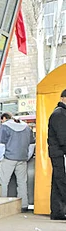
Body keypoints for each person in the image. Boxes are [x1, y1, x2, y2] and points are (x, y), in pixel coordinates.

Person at [0, 112, 34, 212]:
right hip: (22, 159)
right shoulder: (26, 127)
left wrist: (0, 158)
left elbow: (1, 145)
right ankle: (23, 205)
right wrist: (27, 157)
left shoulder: (4, 127)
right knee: (22, 183)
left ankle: (2, 206)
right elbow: (32, 145)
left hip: (8, 158)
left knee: (3, 182)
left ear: (4, 118)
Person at [47, 89, 66, 220]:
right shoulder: (60, 114)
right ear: (63, 98)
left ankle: (58, 212)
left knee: (58, 183)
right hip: (60, 153)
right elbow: (63, 137)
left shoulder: (60, 112)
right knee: (62, 182)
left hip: (58, 153)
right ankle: (59, 211)